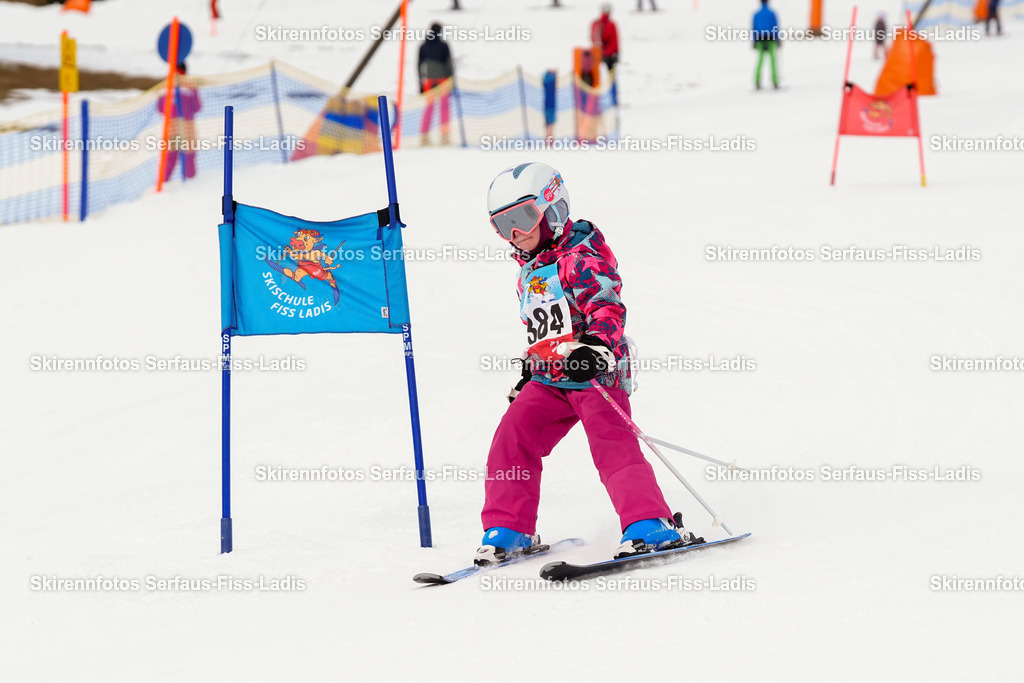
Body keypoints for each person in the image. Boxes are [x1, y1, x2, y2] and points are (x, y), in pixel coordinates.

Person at [475, 162, 700, 564]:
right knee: (512, 437)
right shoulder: (529, 270)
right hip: (550, 377)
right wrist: (530, 369)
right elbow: (543, 326)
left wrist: (595, 347)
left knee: (612, 445)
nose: (516, 233)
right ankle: (509, 528)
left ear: (553, 209)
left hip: (595, 372)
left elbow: (606, 305)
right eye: (503, 224)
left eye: (523, 217)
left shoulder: (583, 255)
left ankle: (649, 523)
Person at [155, 62, 201, 181]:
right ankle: (190, 181)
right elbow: (197, 107)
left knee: (169, 157)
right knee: (188, 156)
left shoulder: (165, 85)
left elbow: (159, 108)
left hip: (171, 126)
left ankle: (163, 182)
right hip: (187, 126)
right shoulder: (191, 85)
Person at [417, 22, 454, 145]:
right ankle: (445, 137)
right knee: (444, 109)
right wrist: (451, 80)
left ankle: (424, 136)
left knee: (429, 108)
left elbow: (419, 65)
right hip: (443, 81)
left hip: (429, 81)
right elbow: (449, 64)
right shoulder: (444, 46)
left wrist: (420, 83)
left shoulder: (423, 46)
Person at [752, 0, 781, 90]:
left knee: (760, 60)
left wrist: (754, 41)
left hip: (760, 38)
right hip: (770, 38)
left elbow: (754, 28)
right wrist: (778, 39)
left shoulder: (756, 14)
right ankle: (775, 81)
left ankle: (757, 81)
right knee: (773, 60)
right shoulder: (772, 13)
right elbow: (775, 26)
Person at [590, 4, 619, 74]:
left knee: (595, 73)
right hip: (608, 53)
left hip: (596, 52)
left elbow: (592, 37)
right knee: (611, 72)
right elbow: (614, 40)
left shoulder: (595, 23)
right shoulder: (611, 24)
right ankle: (612, 81)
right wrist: (616, 52)